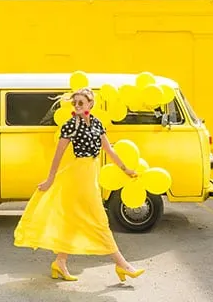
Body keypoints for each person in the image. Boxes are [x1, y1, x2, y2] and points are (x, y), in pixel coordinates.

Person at [13, 87, 146, 282]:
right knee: (99, 219)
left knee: (73, 220)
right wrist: (50, 179)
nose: (77, 106)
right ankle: (122, 264)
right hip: (78, 176)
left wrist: (126, 169)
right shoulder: (70, 125)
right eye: (75, 103)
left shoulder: (97, 123)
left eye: (81, 103)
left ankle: (60, 262)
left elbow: (109, 150)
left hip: (90, 174)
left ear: (91, 104)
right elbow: (58, 154)